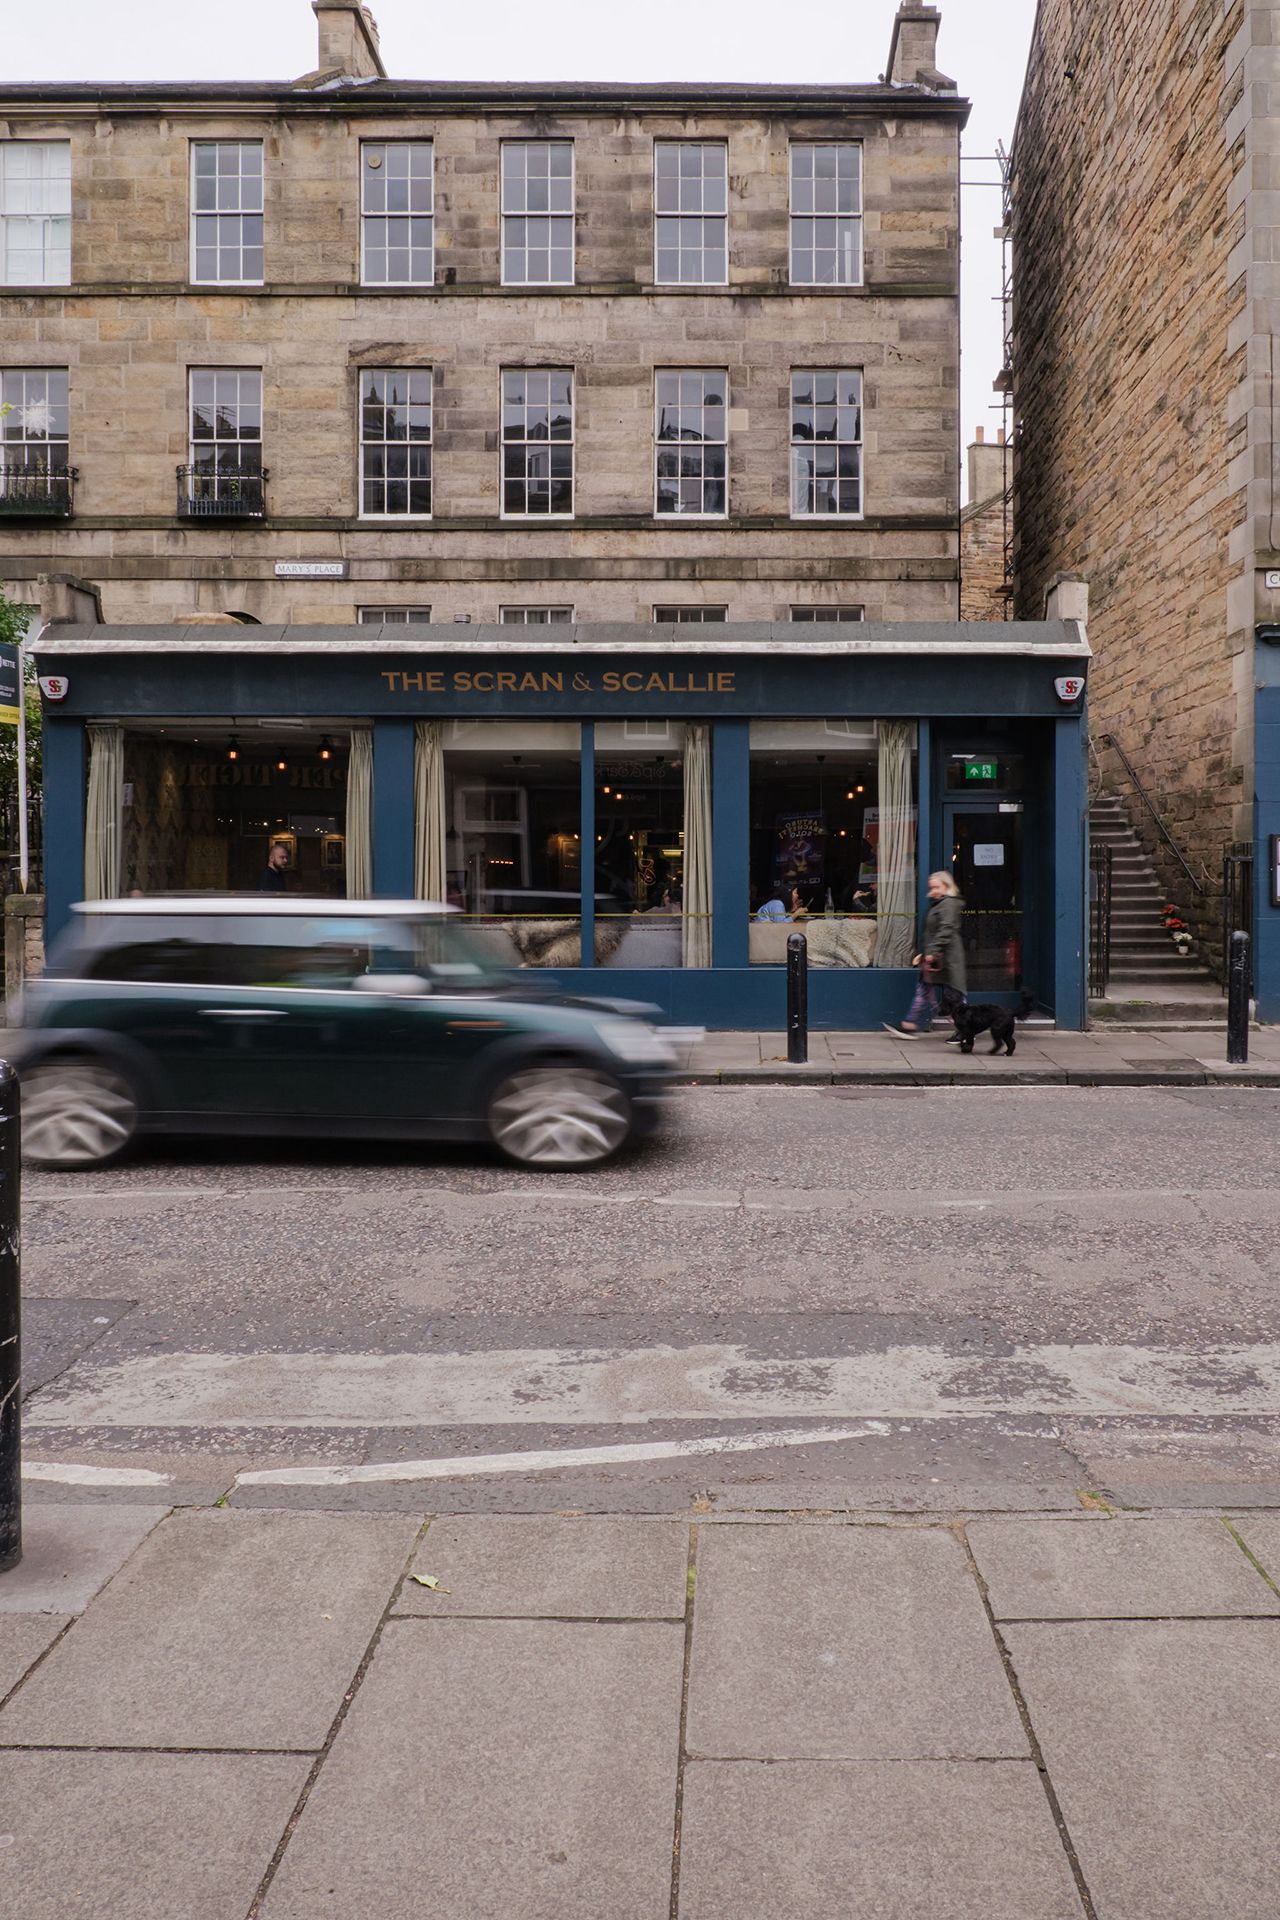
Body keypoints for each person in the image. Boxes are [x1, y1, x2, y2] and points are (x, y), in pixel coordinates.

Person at [885, 869, 966, 1037]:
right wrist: (924, 952)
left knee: (956, 994)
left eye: (936, 887)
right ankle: (909, 1024)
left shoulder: (949, 904)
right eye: (932, 887)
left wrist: (933, 951)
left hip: (947, 957)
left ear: (946, 886)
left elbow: (947, 929)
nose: (933, 890)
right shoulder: (940, 903)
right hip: (936, 956)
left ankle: (964, 1030)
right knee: (923, 989)